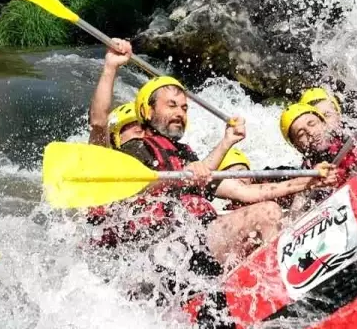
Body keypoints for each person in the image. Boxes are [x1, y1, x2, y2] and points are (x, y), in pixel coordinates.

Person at [119, 76, 330, 269]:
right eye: (171, 106)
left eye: (184, 108)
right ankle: (279, 283)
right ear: (147, 111)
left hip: (200, 236)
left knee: (268, 218)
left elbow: (246, 193)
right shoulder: (135, 149)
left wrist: (310, 181)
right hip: (167, 248)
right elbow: (100, 126)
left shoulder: (183, 155)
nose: (179, 113)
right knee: (266, 213)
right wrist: (110, 67)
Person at [279, 102, 357, 185]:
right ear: (297, 146)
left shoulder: (353, 142)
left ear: (324, 123)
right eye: (301, 134)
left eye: (312, 124)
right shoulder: (307, 174)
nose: (310, 132)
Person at [88, 39, 139, 146]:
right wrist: (110, 67)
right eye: (129, 126)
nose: (139, 130)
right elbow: (98, 123)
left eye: (142, 126)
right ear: (114, 137)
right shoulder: (105, 153)